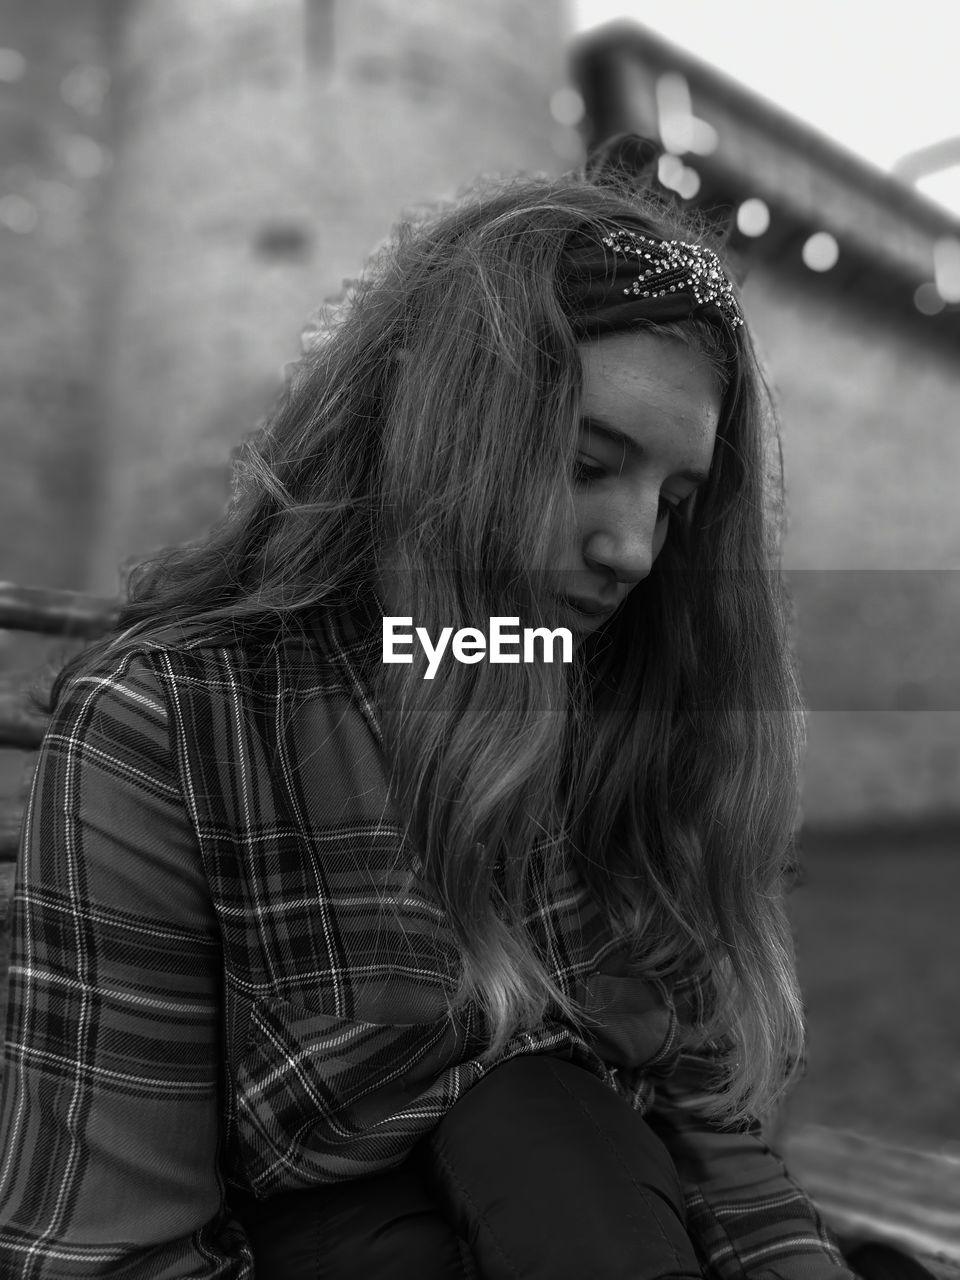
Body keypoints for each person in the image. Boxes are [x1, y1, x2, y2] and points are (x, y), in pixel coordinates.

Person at [0, 138, 856, 1279]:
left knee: (553, 1126)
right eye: (587, 460)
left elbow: (724, 1159)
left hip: (602, 1210)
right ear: (432, 429)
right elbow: (111, 1251)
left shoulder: (622, 716)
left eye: (678, 501)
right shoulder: (177, 729)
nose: (635, 549)